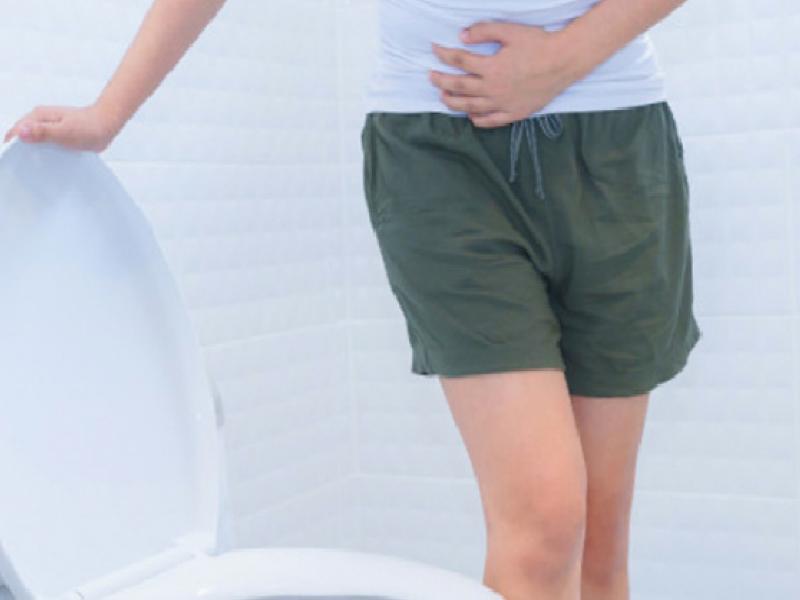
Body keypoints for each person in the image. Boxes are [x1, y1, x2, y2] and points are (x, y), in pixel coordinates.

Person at [3, 1, 700, 599]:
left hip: (616, 140)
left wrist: (565, 58)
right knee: (545, 520)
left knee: (601, 534)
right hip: (440, 154)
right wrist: (109, 112)